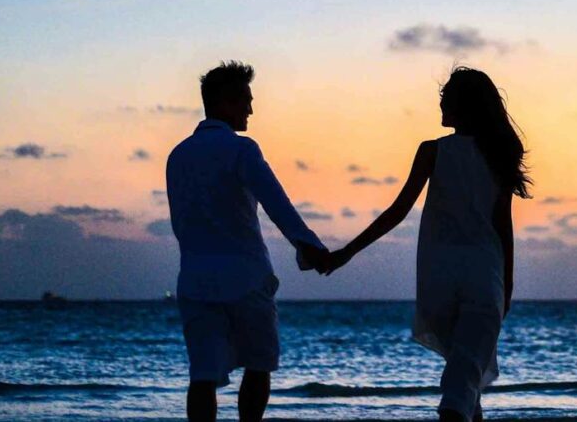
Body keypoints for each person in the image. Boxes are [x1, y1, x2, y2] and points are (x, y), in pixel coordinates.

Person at [324, 66, 530, 422]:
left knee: (464, 376)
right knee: (463, 380)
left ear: (463, 106)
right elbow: (502, 224)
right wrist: (507, 284)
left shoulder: (433, 151)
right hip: (484, 276)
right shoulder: (499, 153)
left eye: (446, 100)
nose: (440, 107)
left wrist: (347, 252)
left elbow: (396, 212)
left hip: (439, 279)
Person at [165, 60, 330, 422]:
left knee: (203, 376)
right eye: (246, 101)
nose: (251, 110)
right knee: (259, 365)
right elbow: (277, 203)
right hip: (245, 276)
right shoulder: (242, 149)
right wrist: (311, 247)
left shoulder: (177, 156)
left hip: (195, 279)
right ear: (225, 102)